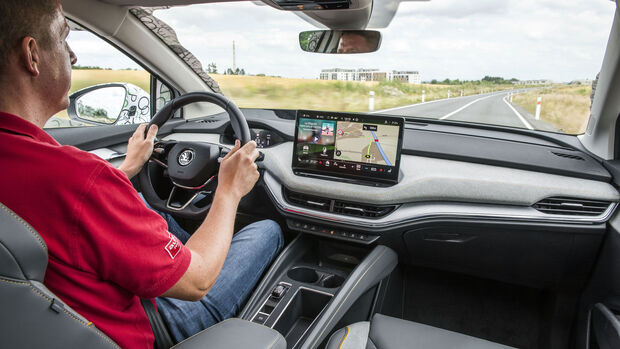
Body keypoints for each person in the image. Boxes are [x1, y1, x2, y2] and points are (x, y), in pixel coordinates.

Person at [0, 1, 282, 348]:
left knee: (159, 213)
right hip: (149, 325)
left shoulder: (52, 171)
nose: (72, 56)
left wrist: (127, 170)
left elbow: (64, 214)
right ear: (32, 55)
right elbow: (196, 282)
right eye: (63, 39)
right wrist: (229, 190)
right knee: (267, 230)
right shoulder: (77, 178)